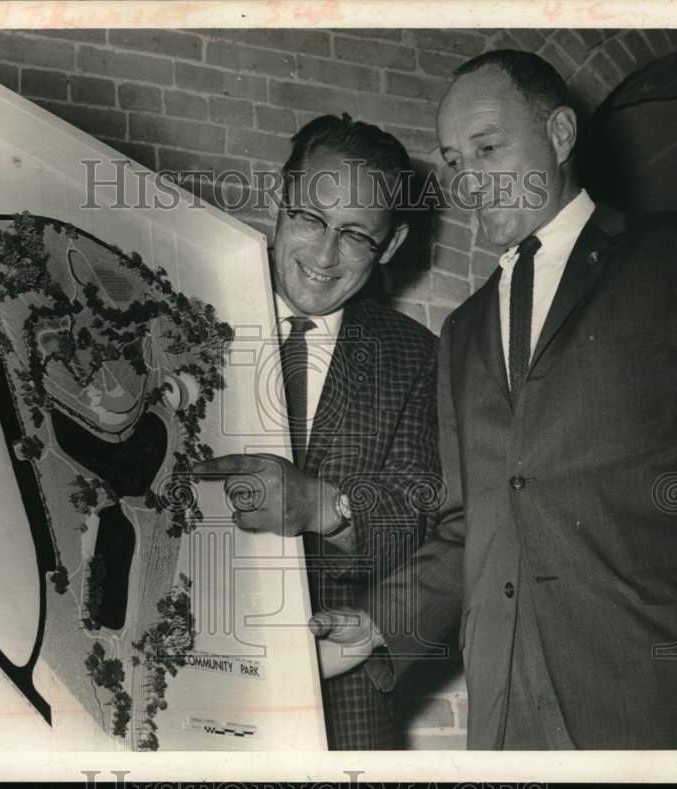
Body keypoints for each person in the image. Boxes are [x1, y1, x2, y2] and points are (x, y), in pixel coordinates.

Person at [310, 50, 677, 750]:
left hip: (657, 700)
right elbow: (469, 524)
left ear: (558, 135)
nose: (470, 180)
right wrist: (378, 623)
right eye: (455, 161)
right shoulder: (462, 330)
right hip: (506, 714)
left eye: (488, 148)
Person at [194, 114, 442, 749]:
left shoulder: (417, 357)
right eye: (310, 218)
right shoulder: (191, 306)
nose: (324, 256)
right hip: (179, 670)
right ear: (280, 202)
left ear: (390, 246)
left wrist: (318, 507)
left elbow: (426, 520)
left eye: (357, 236)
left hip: (343, 701)